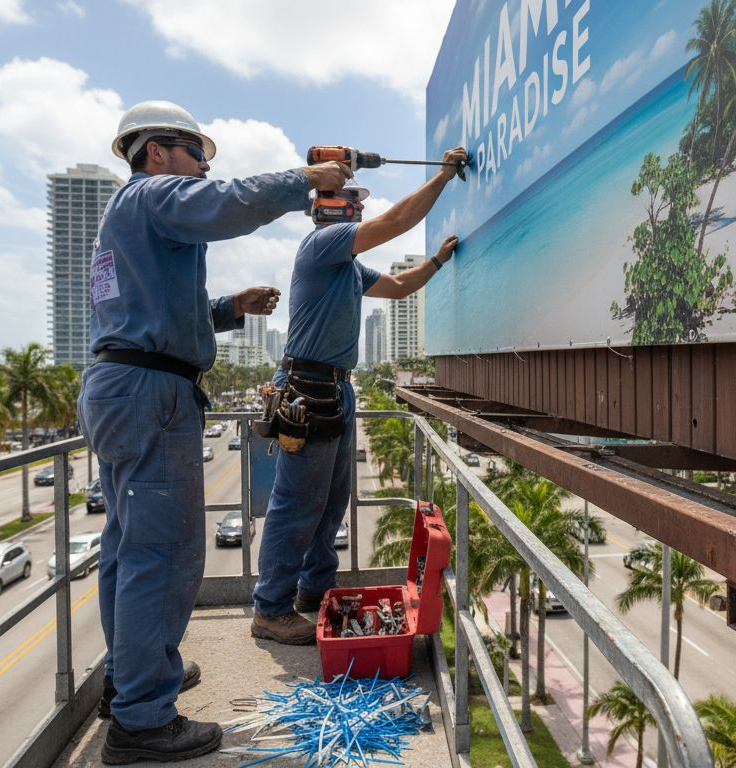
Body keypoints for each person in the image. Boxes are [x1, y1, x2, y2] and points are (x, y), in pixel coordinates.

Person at [78, 100, 351, 764]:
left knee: (126, 548)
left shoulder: (131, 222)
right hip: (150, 393)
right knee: (163, 557)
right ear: (156, 151)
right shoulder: (149, 197)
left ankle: (130, 680)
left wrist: (230, 309)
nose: (203, 167)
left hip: (122, 386)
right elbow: (232, 202)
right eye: (197, 153)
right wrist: (307, 181)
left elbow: (158, 311)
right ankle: (143, 723)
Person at [250, 146, 467, 645]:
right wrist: (442, 178)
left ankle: (313, 591)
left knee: (328, 504)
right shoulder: (321, 245)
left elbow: (396, 285)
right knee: (297, 503)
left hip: (334, 391)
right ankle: (270, 608)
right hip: (308, 388)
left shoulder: (345, 269)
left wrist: (436, 260)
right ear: (334, 207)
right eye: (355, 201)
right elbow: (394, 223)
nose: (362, 209)